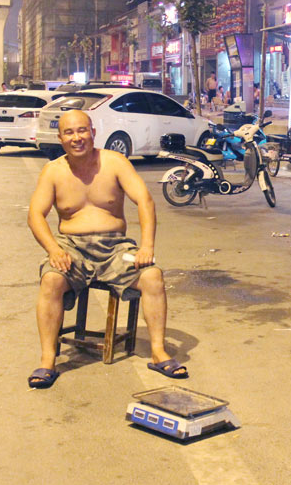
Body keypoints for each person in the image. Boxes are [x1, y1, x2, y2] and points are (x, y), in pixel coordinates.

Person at [26, 110, 187, 388]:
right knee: (51, 280)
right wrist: (53, 249)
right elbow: (35, 215)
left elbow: (145, 201)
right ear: (60, 138)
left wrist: (147, 246)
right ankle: (47, 360)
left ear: (93, 132)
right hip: (71, 247)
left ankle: (159, 352)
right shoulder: (53, 171)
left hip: (115, 247)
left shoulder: (115, 162)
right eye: (70, 132)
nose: (77, 138)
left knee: (153, 277)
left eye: (82, 130)